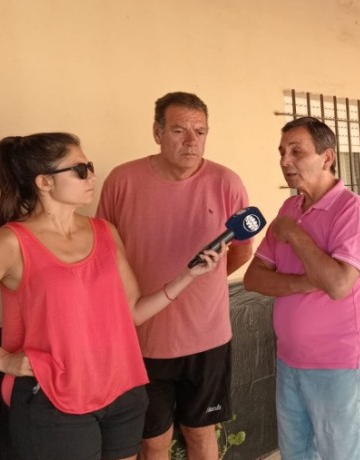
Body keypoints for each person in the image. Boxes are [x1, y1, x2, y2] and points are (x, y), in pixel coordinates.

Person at [0, 133, 221, 460]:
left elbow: (132, 311)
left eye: (90, 166)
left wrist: (188, 277)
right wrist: (1, 360)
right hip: (54, 400)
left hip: (122, 392)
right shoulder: (10, 243)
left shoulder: (104, 232)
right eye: (80, 169)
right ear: (44, 182)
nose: (91, 175)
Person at [97, 92, 254, 460]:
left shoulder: (227, 182)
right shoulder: (122, 180)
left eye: (200, 131)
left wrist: (203, 284)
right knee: (152, 441)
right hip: (142, 338)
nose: (191, 140)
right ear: (157, 132)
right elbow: (105, 254)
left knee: (201, 434)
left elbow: (243, 250)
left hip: (207, 337)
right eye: (180, 130)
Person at [242, 117, 360, 459]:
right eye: (282, 152)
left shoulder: (353, 210)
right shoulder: (289, 208)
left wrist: (294, 234)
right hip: (291, 362)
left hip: (340, 366)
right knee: (298, 455)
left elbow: (337, 284)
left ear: (327, 157)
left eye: (296, 151)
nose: (285, 161)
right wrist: (306, 282)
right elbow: (253, 278)